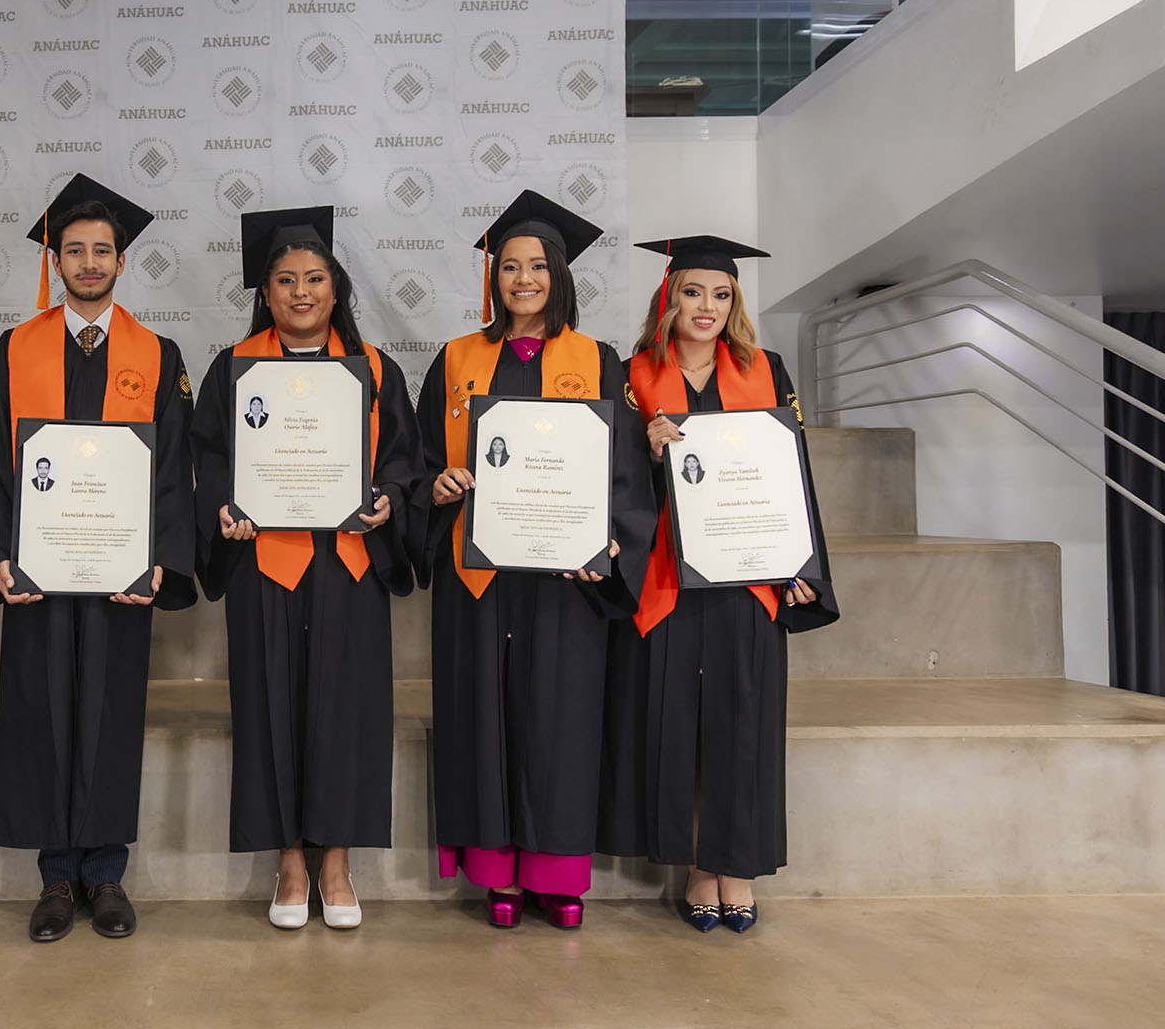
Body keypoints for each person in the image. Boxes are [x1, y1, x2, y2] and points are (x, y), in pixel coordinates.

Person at [0, 174, 196, 943]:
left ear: (123, 262)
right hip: (39, 573)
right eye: (74, 250)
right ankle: (57, 877)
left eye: (102, 251)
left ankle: (107, 872)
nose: (89, 263)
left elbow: (173, 469)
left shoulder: (156, 354)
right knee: (43, 715)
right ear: (55, 261)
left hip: (118, 577)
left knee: (109, 714)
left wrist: (160, 558)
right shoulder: (16, 348)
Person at [415, 190, 654, 930]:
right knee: (482, 715)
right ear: (495, 277)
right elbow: (419, 459)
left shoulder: (598, 361)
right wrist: (436, 486)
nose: (524, 279)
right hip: (478, 575)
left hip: (563, 579)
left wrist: (610, 542)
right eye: (511, 266)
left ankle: (555, 874)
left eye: (538, 266)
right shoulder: (457, 359)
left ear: (560, 275)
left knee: (562, 717)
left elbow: (625, 472)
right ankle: (497, 875)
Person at [598, 235, 839, 934]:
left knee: (742, 725)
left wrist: (801, 566)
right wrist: (645, 450)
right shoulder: (631, 375)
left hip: (747, 576)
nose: (707, 306)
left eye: (722, 294)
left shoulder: (766, 370)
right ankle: (698, 867)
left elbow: (792, 473)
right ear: (668, 299)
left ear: (735, 304)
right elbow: (612, 476)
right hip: (667, 575)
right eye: (693, 292)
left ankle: (738, 867)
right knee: (679, 725)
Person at [191, 206, 422, 931]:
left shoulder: (374, 368)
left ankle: (336, 863)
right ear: (264, 292)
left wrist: (388, 500)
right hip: (266, 563)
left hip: (347, 562)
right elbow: (209, 458)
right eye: (285, 280)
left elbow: (403, 460)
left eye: (315, 278)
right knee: (270, 707)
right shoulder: (233, 368)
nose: (301, 292)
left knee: (347, 711)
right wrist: (223, 507)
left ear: (336, 287)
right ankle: (289, 862)